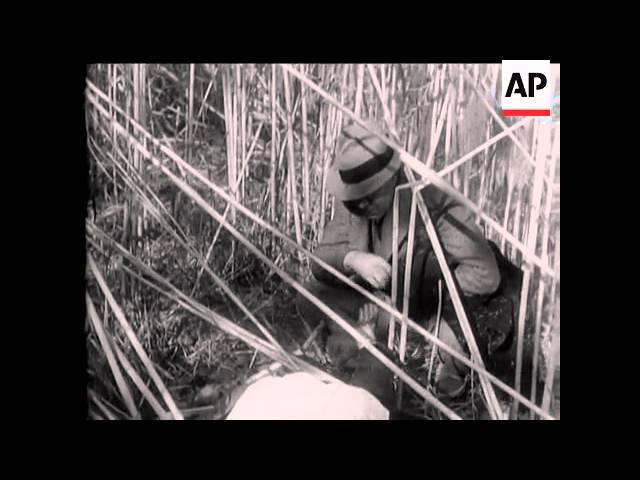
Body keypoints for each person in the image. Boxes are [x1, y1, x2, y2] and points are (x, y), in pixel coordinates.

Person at [297, 121, 514, 401]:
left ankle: (371, 340)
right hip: (377, 301)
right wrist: (353, 259)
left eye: (370, 195)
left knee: (455, 353)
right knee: (308, 295)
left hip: (431, 308)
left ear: (391, 178)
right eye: (356, 200)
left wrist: (416, 311)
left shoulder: (433, 200)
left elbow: (484, 273)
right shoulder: (352, 199)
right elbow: (320, 261)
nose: (361, 206)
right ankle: (362, 338)